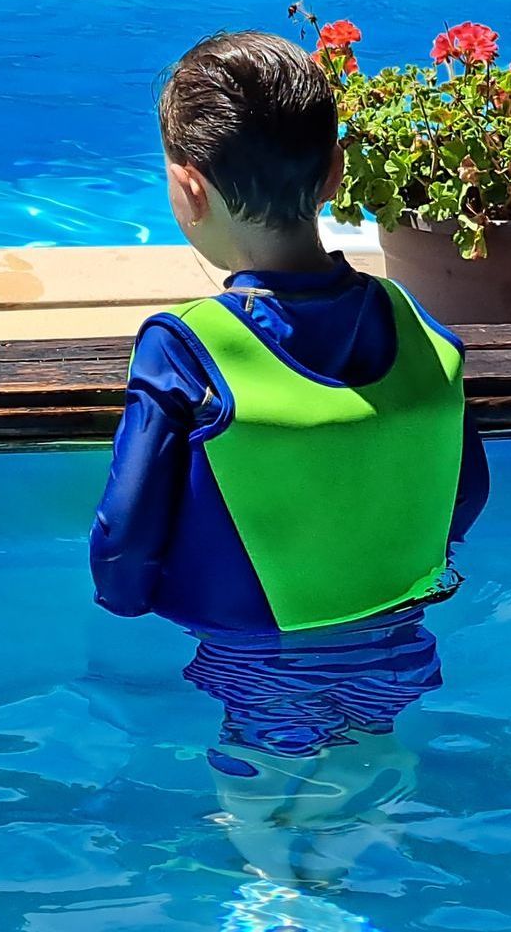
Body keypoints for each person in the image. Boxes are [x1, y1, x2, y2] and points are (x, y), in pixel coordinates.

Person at [89, 31, 489, 638]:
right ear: (335, 170)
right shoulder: (417, 326)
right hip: (398, 637)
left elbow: (124, 539)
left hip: (251, 658)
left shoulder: (183, 351)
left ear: (191, 190)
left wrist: (125, 608)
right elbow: (464, 494)